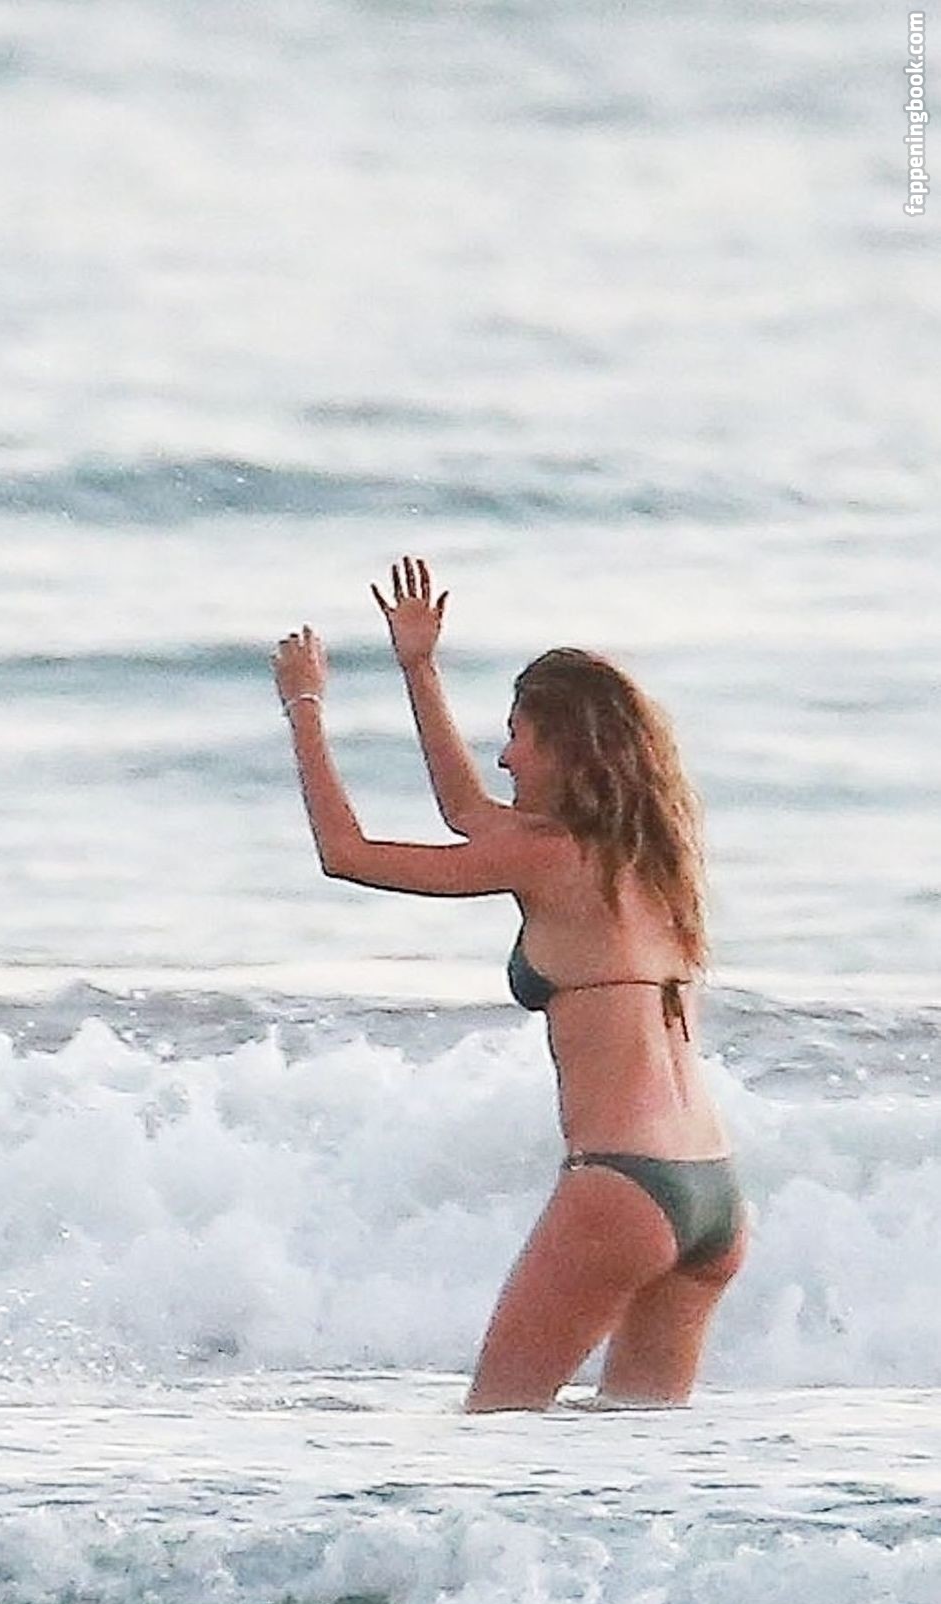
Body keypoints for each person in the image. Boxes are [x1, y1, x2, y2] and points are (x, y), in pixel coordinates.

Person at [272, 556, 747, 1413]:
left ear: (562, 748)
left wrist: (304, 707)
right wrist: (418, 668)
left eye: (517, 736)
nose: (502, 757)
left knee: (496, 1432)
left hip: (624, 1188)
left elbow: (346, 854)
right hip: (711, 1196)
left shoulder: (547, 858)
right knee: (640, 1457)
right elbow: (465, 813)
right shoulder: (652, 863)